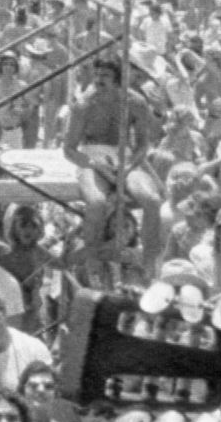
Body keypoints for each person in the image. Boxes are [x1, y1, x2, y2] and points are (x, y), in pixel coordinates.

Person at [63, 57, 165, 274]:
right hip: (92, 153)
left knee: (152, 200)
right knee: (97, 202)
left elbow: (142, 145)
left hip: (124, 154)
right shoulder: (84, 104)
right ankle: (92, 262)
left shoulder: (135, 102)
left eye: (105, 76)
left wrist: (127, 167)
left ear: (118, 80)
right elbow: (69, 149)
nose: (99, 80)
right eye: (97, 75)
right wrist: (95, 165)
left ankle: (150, 265)